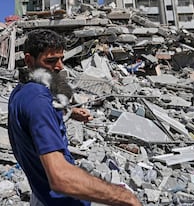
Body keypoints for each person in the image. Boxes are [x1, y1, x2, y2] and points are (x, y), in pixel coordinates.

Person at [8, 29, 141, 206]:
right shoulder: (37, 100)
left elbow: (33, 117)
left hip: (40, 193)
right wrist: (125, 197)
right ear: (29, 60)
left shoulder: (22, 91)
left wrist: (70, 112)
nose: (60, 66)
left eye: (61, 59)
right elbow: (61, 178)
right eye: (50, 61)